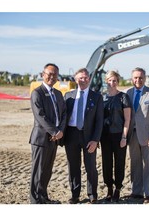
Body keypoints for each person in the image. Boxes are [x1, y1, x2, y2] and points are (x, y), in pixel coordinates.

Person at [63, 68, 103, 204]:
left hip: (89, 136)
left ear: (89, 79)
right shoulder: (68, 96)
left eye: (86, 77)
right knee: (73, 166)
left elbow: (99, 121)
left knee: (90, 166)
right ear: (75, 79)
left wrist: (95, 140)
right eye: (80, 77)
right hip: (71, 134)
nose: (83, 80)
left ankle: (92, 194)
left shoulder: (97, 97)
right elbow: (63, 117)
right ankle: (75, 194)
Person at [29, 63, 67, 204]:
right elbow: (40, 116)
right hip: (41, 139)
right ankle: (35, 200)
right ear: (42, 74)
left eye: (55, 74)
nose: (52, 77)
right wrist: (55, 131)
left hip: (54, 139)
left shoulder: (58, 94)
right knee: (37, 171)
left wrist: (60, 131)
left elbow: (64, 114)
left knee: (47, 171)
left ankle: (43, 197)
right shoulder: (37, 93)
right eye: (49, 74)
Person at [126, 67, 149, 204]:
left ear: (145, 78)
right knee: (135, 164)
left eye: (140, 77)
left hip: (147, 136)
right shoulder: (128, 93)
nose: (138, 80)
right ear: (132, 79)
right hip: (132, 136)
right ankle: (136, 192)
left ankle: (148, 195)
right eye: (135, 77)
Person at [100, 70, 131, 203]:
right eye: (110, 80)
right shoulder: (101, 97)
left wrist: (124, 137)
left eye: (115, 81)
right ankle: (109, 188)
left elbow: (127, 120)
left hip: (119, 136)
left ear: (118, 82)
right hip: (105, 136)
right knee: (106, 163)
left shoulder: (123, 97)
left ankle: (118, 188)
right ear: (106, 81)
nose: (112, 83)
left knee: (119, 163)